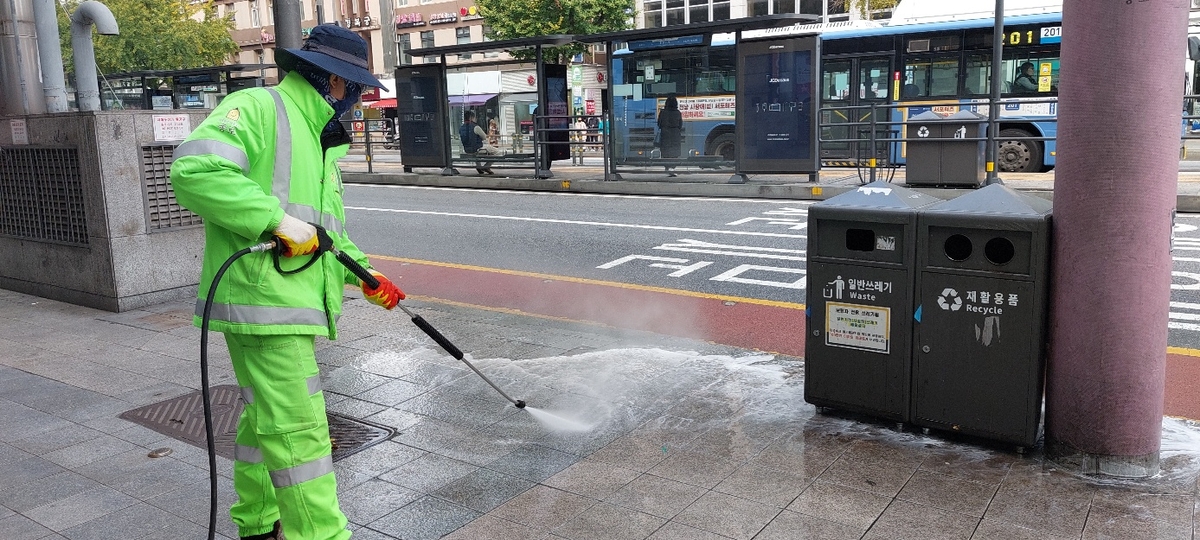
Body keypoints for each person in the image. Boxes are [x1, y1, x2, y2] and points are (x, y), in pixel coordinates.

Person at [169, 24, 404, 540]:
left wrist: (367, 273)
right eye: (357, 86)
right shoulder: (259, 107)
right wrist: (273, 221)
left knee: (262, 423)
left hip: (282, 303)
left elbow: (326, 234)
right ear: (333, 80)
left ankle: (257, 523)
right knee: (302, 436)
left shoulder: (321, 140)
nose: (359, 97)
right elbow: (193, 171)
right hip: (264, 303)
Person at [657, 95, 684, 177]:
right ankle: (672, 167)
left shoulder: (663, 112)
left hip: (665, 133)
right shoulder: (678, 113)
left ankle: (667, 167)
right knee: (674, 151)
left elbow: (659, 124)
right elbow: (680, 125)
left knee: (666, 151)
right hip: (675, 133)